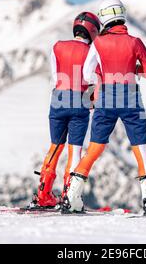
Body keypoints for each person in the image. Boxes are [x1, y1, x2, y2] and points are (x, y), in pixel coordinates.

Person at [62, 0, 146, 215]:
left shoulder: (98, 44)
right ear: (122, 15)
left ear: (105, 17)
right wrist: (135, 70)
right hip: (130, 97)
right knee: (140, 148)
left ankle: (72, 196)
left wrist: (102, 74)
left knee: (94, 149)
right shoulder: (135, 42)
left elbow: (88, 74)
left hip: (105, 98)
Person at [34, 12, 101, 208]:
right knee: (75, 150)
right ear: (93, 31)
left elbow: (55, 77)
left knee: (55, 146)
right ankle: (69, 196)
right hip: (79, 100)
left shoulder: (57, 47)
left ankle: (43, 193)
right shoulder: (91, 51)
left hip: (58, 99)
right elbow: (89, 77)